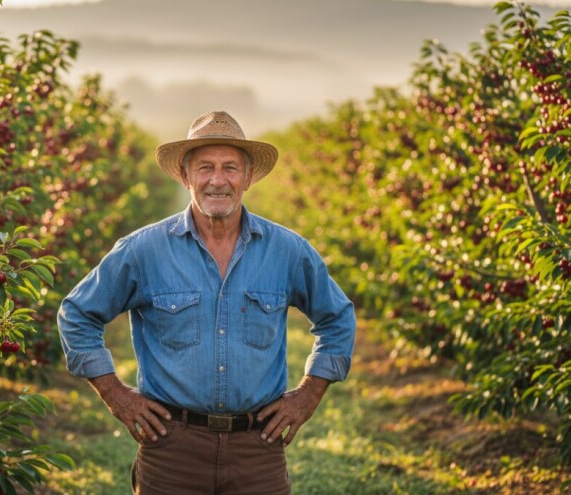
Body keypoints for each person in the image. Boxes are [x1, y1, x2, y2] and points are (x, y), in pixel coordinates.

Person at [57, 110, 356, 494]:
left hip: (258, 449)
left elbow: (337, 317)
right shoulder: (143, 251)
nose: (218, 180)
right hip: (171, 449)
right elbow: (77, 314)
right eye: (205, 168)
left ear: (248, 176)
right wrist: (115, 395)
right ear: (185, 176)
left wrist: (309, 394)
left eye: (230, 168)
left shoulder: (287, 250)